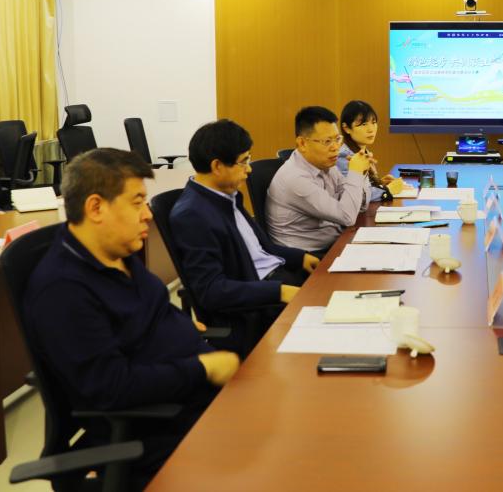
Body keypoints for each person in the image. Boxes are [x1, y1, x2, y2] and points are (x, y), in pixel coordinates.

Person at [23, 148, 240, 489]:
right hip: (155, 433)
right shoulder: (62, 291)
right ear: (96, 208)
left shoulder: (115, 254)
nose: (148, 215)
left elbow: (156, 310)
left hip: (197, 405)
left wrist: (190, 339)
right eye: (137, 202)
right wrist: (202, 368)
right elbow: (112, 387)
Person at [170, 120, 317, 355]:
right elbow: (211, 290)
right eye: (243, 161)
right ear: (217, 166)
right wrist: (278, 291)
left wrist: (301, 257)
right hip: (255, 312)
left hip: (274, 284)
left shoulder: (226, 196)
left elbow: (261, 248)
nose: (249, 169)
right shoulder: (192, 215)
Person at [267, 106, 371, 254]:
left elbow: (360, 207)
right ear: (302, 143)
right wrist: (355, 172)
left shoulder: (325, 164)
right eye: (327, 141)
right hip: (309, 257)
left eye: (337, 139)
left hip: (334, 242)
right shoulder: (295, 178)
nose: (335, 147)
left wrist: (362, 173)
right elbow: (347, 216)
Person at [338, 99, 406, 202]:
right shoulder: (344, 156)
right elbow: (353, 195)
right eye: (363, 124)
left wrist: (379, 184)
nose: (371, 129)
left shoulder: (363, 151)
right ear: (346, 128)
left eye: (373, 122)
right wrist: (387, 190)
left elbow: (361, 186)